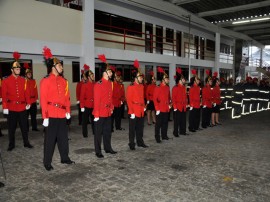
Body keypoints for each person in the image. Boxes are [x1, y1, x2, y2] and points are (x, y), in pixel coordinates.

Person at [40, 47, 74, 171]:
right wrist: (45, 117)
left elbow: (67, 98)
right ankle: (47, 162)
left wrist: (68, 111)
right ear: (53, 67)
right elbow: (43, 99)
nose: (62, 68)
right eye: (60, 65)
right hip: (51, 113)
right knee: (50, 140)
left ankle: (65, 157)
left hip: (61, 113)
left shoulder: (64, 81)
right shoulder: (45, 81)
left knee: (63, 138)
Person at [2, 52, 33, 151]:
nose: (18, 70)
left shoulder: (24, 80)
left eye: (19, 69)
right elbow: (4, 95)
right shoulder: (6, 81)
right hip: (11, 108)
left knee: (24, 127)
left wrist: (28, 103)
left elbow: (27, 92)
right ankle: (11, 144)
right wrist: (5, 107)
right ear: (12, 70)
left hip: (22, 108)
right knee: (11, 128)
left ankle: (26, 142)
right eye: (16, 69)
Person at [93, 54, 117, 158]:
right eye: (110, 71)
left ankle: (108, 148)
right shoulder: (98, 84)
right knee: (98, 133)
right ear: (105, 73)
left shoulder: (110, 83)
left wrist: (111, 107)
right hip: (100, 112)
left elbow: (110, 97)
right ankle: (98, 151)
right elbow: (97, 100)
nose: (111, 73)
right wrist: (97, 114)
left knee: (108, 131)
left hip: (108, 111)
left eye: (111, 71)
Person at [126, 59, 148, 150]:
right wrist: (132, 112)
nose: (141, 78)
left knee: (140, 127)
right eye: (140, 77)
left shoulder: (142, 86)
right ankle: (132, 143)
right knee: (132, 129)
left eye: (141, 77)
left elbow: (142, 98)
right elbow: (128, 100)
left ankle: (140, 141)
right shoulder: (130, 87)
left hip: (141, 110)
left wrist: (144, 107)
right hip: (134, 110)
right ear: (135, 78)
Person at [153, 67, 171, 143]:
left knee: (165, 123)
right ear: (163, 80)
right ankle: (157, 137)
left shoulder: (167, 87)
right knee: (158, 124)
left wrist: (170, 104)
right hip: (160, 108)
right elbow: (154, 99)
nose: (168, 80)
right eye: (167, 79)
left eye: (168, 79)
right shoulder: (158, 88)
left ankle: (164, 135)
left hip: (166, 108)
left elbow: (168, 97)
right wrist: (157, 109)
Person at [172, 68, 189, 136]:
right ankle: (175, 132)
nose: (184, 80)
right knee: (177, 121)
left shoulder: (184, 87)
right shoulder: (175, 87)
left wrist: (186, 104)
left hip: (183, 106)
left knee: (183, 120)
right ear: (179, 80)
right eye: (183, 79)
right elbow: (173, 98)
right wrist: (175, 106)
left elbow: (185, 97)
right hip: (178, 106)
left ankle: (183, 131)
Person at [80, 64, 95, 138]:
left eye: (93, 75)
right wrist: (82, 106)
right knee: (85, 121)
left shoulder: (95, 84)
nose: (93, 77)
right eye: (92, 76)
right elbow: (81, 97)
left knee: (94, 120)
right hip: (86, 105)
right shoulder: (84, 85)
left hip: (93, 105)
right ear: (88, 77)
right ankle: (85, 134)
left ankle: (94, 131)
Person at [24, 63, 39, 131]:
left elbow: (36, 90)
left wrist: (37, 98)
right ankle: (26, 128)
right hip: (26, 102)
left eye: (30, 73)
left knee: (34, 116)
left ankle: (34, 127)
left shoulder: (34, 81)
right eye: (28, 74)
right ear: (26, 74)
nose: (29, 74)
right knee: (25, 116)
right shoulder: (24, 81)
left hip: (33, 101)